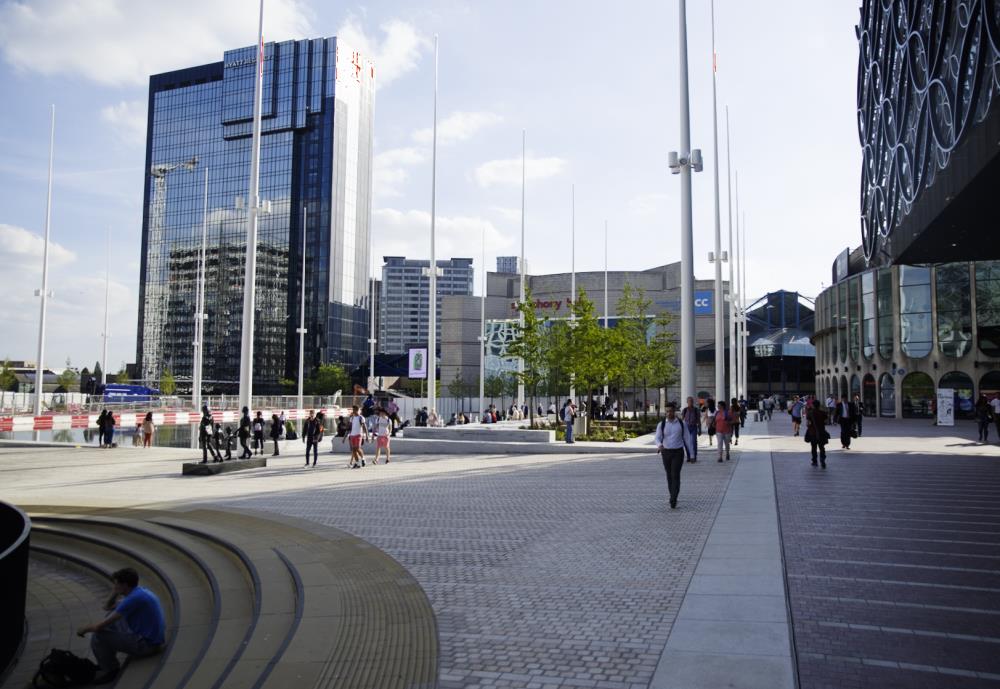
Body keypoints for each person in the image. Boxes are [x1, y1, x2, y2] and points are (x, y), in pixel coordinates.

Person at [77, 567, 165, 685]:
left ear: (125, 585)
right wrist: (116, 591)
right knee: (111, 617)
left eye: (116, 584)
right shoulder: (139, 592)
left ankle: (111, 670)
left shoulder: (132, 599)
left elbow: (98, 627)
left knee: (100, 635)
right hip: (153, 639)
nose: (115, 586)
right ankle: (106, 660)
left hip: (148, 646)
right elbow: (108, 607)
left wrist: (83, 629)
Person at [655, 402, 686, 509]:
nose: (669, 413)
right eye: (667, 411)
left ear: (674, 411)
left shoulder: (681, 424)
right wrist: (659, 445)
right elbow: (657, 438)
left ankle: (673, 498)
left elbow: (687, 439)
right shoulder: (661, 424)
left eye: (671, 411)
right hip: (666, 452)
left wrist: (691, 454)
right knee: (669, 475)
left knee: (675, 474)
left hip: (678, 452)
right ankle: (672, 495)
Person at [805, 399, 829, 468]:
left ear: (813, 405)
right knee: (822, 447)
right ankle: (822, 460)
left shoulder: (810, 413)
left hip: (813, 433)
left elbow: (808, 423)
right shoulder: (823, 413)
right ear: (819, 406)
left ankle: (815, 461)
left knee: (814, 447)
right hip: (821, 432)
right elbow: (826, 422)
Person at [681, 396, 700, 462]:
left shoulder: (696, 410)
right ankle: (689, 456)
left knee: (693, 442)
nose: (690, 402)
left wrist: (699, 429)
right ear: (687, 402)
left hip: (693, 427)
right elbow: (682, 420)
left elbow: (698, 420)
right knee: (686, 443)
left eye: (691, 401)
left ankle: (694, 456)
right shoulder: (685, 410)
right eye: (689, 401)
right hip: (686, 428)